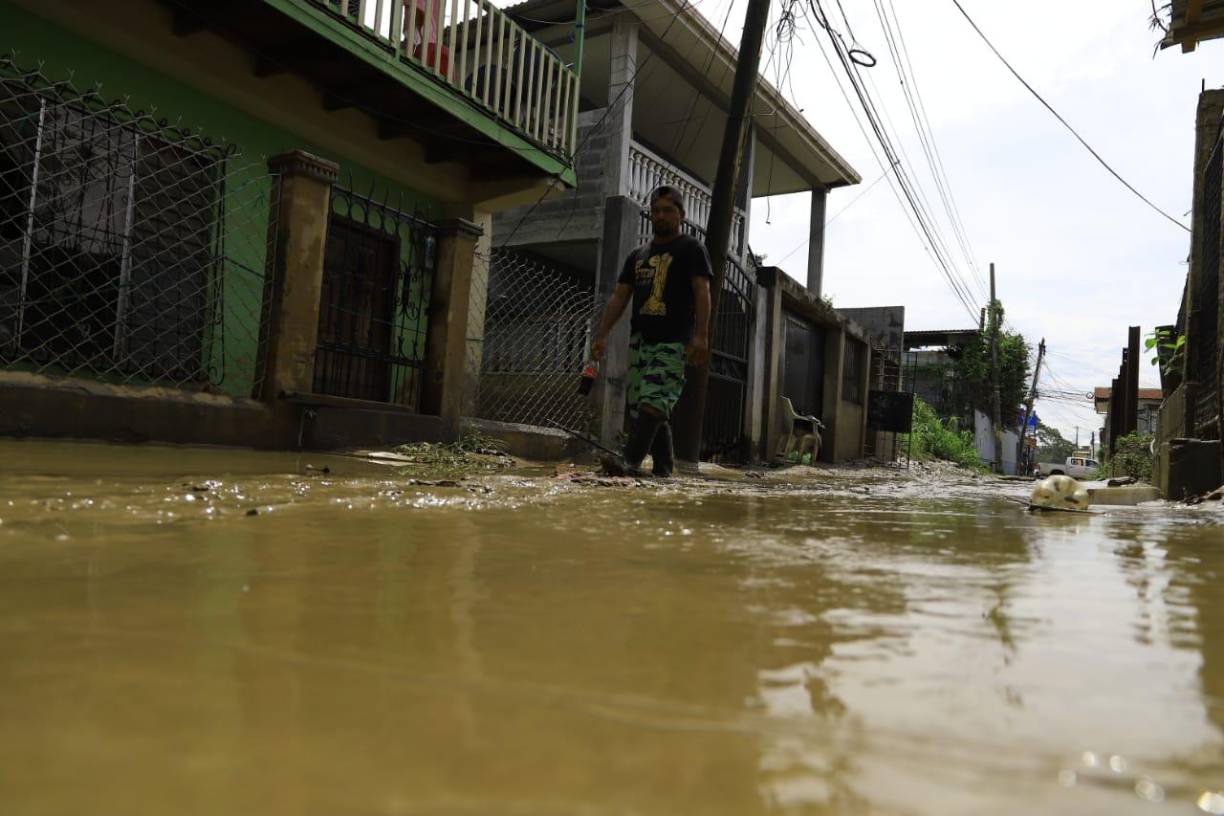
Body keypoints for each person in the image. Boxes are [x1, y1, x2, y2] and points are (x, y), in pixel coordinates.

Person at [590, 185, 712, 477]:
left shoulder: (691, 248)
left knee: (654, 400)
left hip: (674, 341)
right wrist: (602, 334)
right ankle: (663, 469)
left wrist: (701, 335)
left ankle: (629, 460)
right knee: (645, 406)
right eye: (655, 210)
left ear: (681, 214)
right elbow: (620, 297)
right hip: (640, 342)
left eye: (668, 210)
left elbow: (702, 291)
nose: (660, 216)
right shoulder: (638, 255)